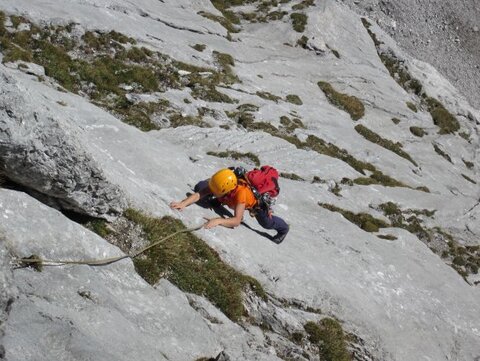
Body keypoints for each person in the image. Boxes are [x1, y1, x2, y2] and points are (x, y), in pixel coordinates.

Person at [169, 168, 289, 244]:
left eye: (215, 190)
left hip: (251, 202)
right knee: (200, 187)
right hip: (229, 196)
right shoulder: (226, 180)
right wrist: (183, 203)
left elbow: (236, 221)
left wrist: (218, 221)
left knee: (266, 223)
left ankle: (284, 229)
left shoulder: (241, 194)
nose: (211, 190)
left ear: (226, 190)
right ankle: (219, 200)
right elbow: (201, 193)